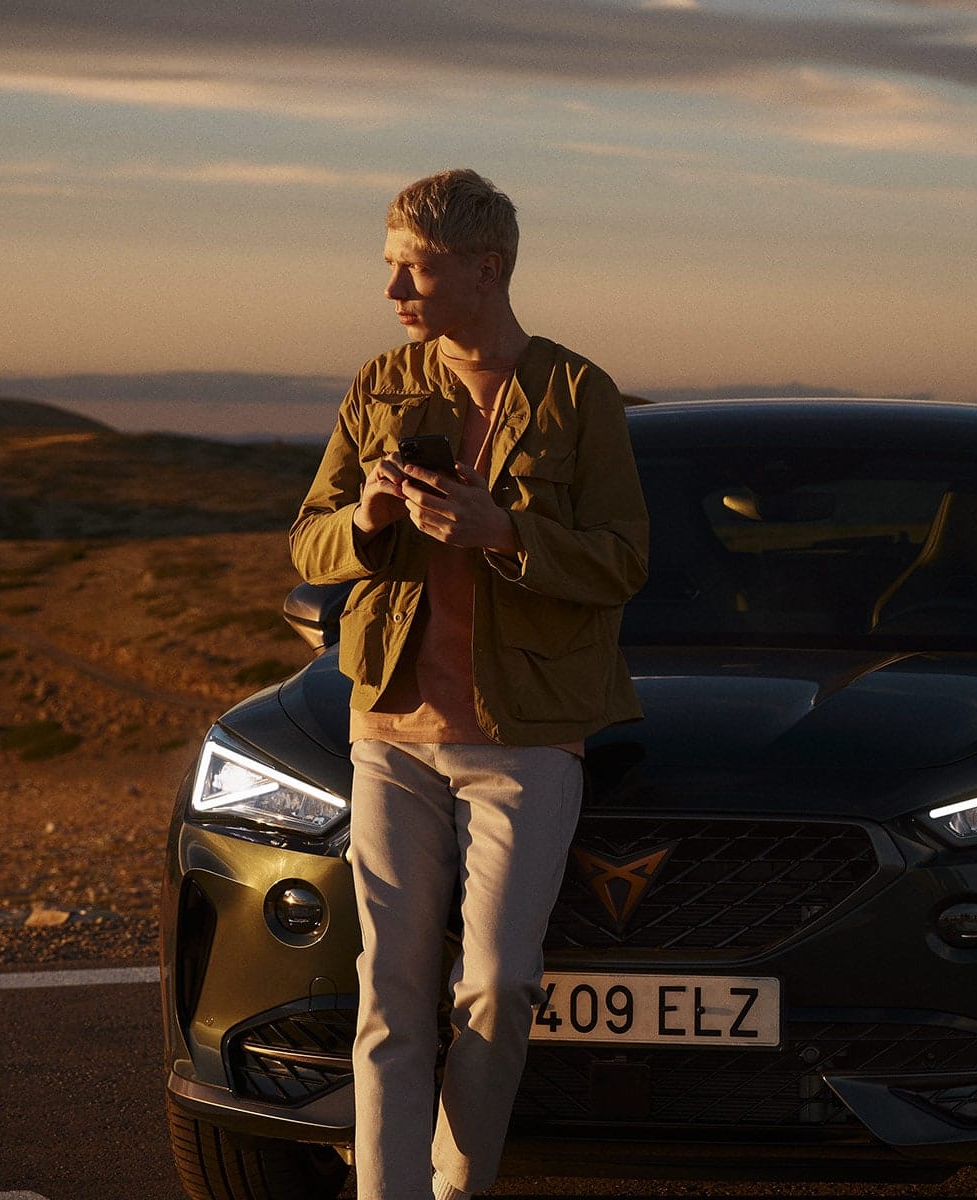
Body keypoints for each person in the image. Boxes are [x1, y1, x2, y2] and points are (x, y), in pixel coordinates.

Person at [289, 169, 648, 1200]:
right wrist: (364, 522)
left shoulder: (579, 393)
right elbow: (307, 536)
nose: (395, 289)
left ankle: (457, 1184)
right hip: (389, 730)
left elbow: (623, 558)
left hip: (527, 738)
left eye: (415, 267)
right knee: (388, 993)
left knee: (497, 982)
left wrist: (507, 535)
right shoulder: (378, 385)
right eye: (390, 266)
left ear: (483, 270)